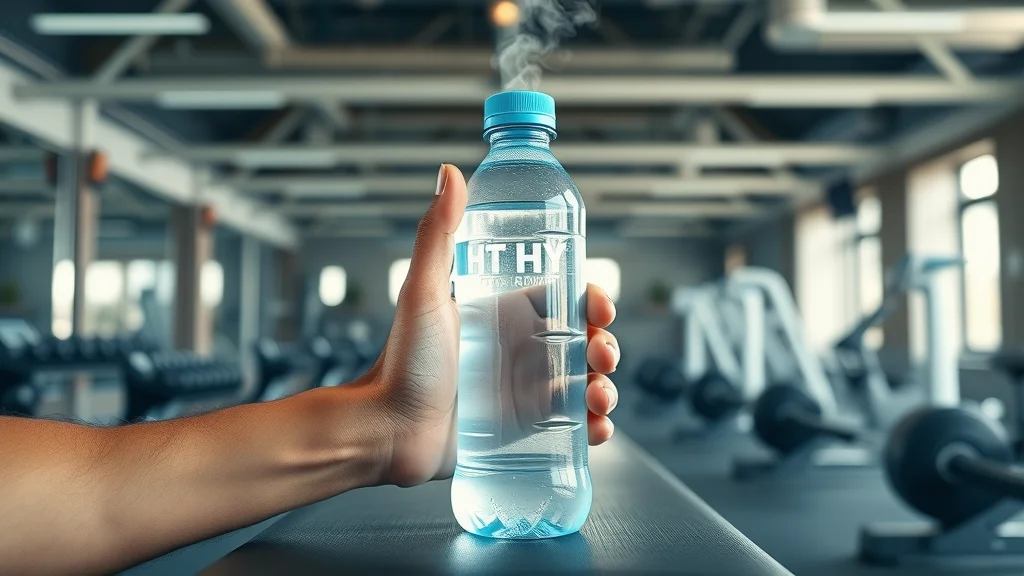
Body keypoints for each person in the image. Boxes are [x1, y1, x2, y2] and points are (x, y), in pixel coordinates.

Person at [0, 164, 620, 575]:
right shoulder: (545, 192)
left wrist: (387, 425)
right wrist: (384, 427)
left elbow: (101, 488)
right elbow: (99, 493)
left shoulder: (556, 194)